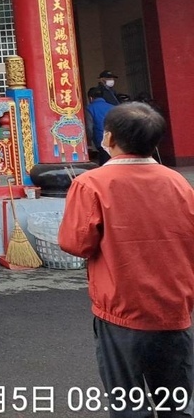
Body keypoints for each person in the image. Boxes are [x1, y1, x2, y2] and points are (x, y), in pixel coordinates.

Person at [60, 103, 194, 417]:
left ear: (109, 138)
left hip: (121, 307)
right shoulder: (178, 182)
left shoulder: (91, 183)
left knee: (128, 404)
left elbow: (75, 243)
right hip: (174, 305)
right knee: (176, 403)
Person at [85, 86, 112, 165]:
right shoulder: (113, 107)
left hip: (101, 140)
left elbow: (89, 128)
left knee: (104, 165)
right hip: (115, 141)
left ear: (90, 98)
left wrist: (88, 142)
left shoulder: (90, 108)